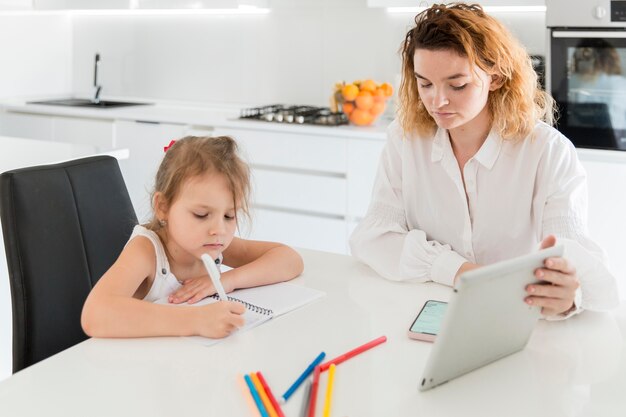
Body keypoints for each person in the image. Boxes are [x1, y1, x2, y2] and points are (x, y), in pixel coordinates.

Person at [349, 3, 618, 318]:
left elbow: (582, 267)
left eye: (457, 84)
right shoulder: (405, 139)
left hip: (515, 318)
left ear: (496, 77)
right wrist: (460, 270)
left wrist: (569, 294)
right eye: (425, 83)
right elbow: (373, 238)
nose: (438, 101)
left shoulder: (548, 152)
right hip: (425, 313)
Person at [82, 136, 304, 338]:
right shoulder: (147, 251)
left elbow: (290, 260)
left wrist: (226, 281)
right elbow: (95, 314)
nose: (219, 229)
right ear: (163, 207)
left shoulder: (214, 245)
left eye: (229, 215)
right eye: (201, 215)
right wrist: (197, 320)